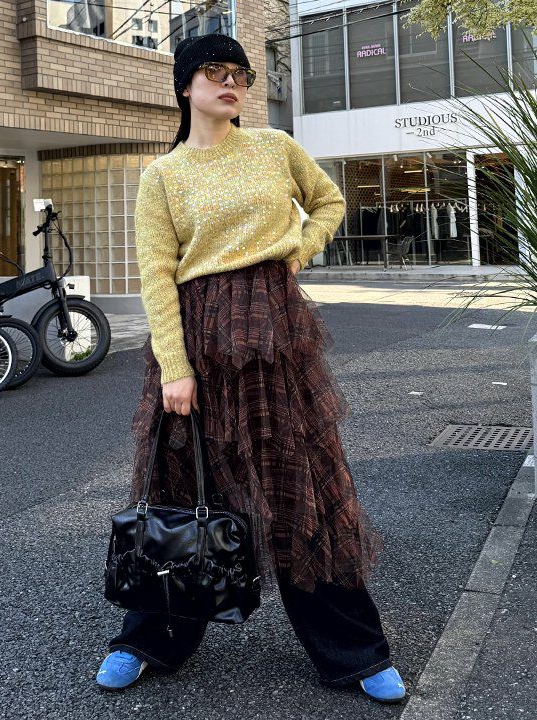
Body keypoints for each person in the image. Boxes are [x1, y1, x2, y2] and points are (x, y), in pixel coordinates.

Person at [96, 33, 407, 704]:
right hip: (198, 336)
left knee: (300, 481)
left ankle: (354, 650)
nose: (230, 82)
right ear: (186, 87)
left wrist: (296, 250)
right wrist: (174, 366)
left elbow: (329, 202)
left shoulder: (274, 147)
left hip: (274, 334)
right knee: (182, 487)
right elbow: (157, 275)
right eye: (215, 71)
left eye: (239, 73)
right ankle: (148, 638)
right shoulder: (163, 175)